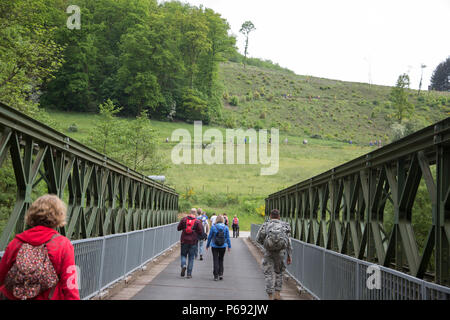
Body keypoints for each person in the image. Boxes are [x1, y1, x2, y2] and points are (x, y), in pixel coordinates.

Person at [0, 194, 80, 300]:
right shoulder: (63, 245)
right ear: (59, 216)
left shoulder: (16, 242)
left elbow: (2, 275)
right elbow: (70, 283)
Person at [256, 209, 292, 300]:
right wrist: (289, 255)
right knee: (279, 272)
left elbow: (258, 239)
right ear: (279, 216)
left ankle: (270, 295)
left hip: (268, 252)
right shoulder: (284, 225)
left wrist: (266, 245)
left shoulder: (266, 224)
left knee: (268, 273)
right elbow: (288, 241)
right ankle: (277, 293)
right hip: (280, 253)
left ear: (270, 216)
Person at [177, 208, 203, 279]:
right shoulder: (197, 221)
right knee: (191, 258)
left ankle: (183, 265)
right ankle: (189, 274)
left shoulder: (184, 219)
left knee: (183, 255)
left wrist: (184, 228)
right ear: (195, 213)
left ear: (190, 212)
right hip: (193, 241)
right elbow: (201, 232)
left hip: (184, 240)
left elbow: (178, 228)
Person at [206, 215, 231, 281]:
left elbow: (209, 237)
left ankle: (216, 276)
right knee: (221, 260)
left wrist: (207, 245)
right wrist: (229, 246)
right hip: (223, 246)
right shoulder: (226, 227)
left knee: (215, 260)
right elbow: (228, 238)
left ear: (216, 220)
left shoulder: (213, 227)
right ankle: (221, 274)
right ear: (223, 220)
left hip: (214, 246)